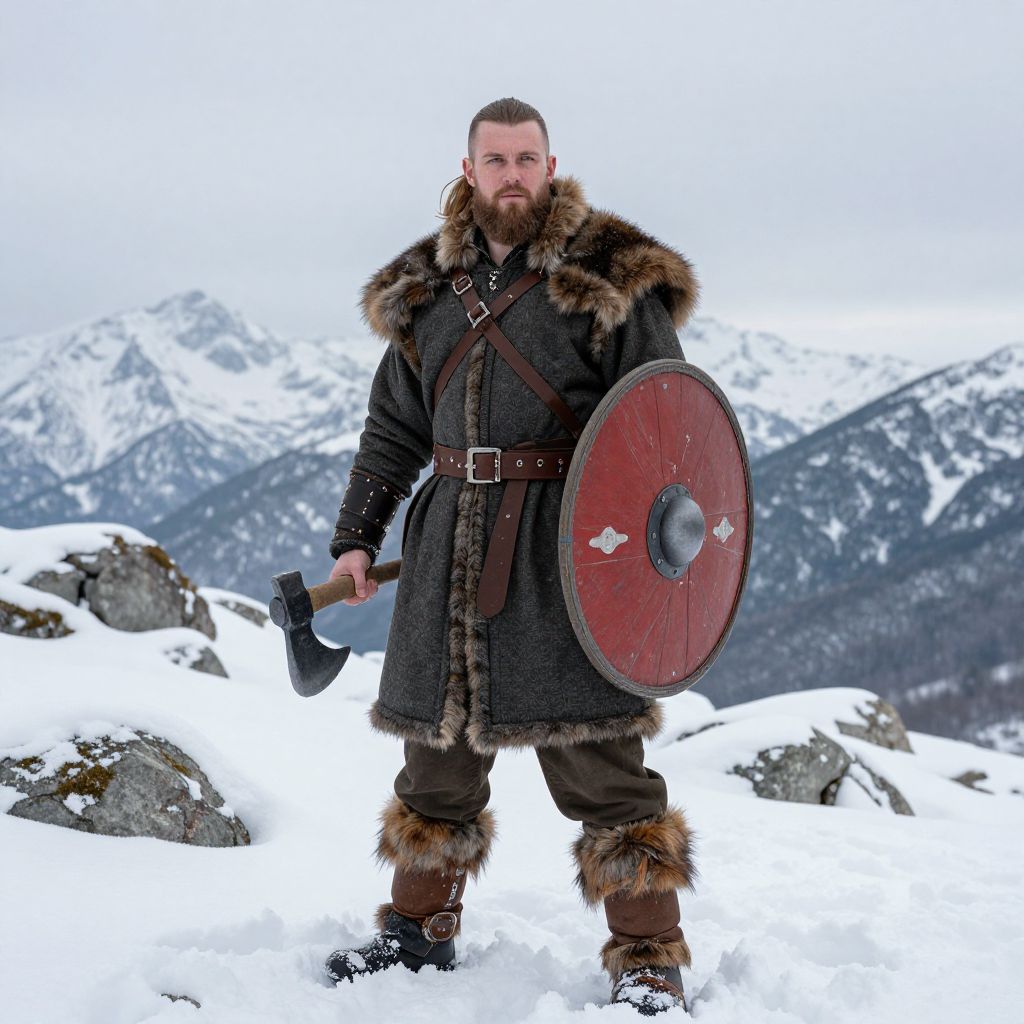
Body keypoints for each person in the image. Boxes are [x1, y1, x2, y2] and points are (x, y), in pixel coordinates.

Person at [324, 97, 700, 1015]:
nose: (512, 176)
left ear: (551, 165)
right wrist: (355, 541)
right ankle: (418, 931)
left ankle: (649, 959)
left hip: (568, 552)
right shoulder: (424, 290)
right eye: (495, 161)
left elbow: (664, 422)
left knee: (602, 762)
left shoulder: (608, 276)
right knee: (435, 760)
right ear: (469, 172)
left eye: (527, 159)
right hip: (448, 543)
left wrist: (640, 561)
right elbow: (393, 430)